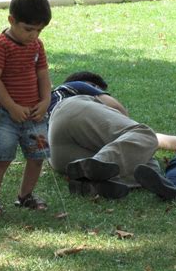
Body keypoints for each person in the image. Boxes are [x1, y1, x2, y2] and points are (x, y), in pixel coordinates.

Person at [0, 0, 52, 215]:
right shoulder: (0, 45)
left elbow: (42, 75)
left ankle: (25, 196)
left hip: (34, 114)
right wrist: (11, 107)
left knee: (37, 157)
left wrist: (46, 101)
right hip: (6, 116)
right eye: (29, 29)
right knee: (2, 158)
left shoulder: (37, 45)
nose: (34, 35)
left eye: (39, 30)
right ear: (11, 20)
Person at [48, 71, 162, 199]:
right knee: (144, 134)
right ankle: (96, 165)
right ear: (92, 85)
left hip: (55, 154)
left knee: (147, 165)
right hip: (71, 108)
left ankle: (90, 185)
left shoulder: (46, 103)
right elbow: (117, 107)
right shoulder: (77, 85)